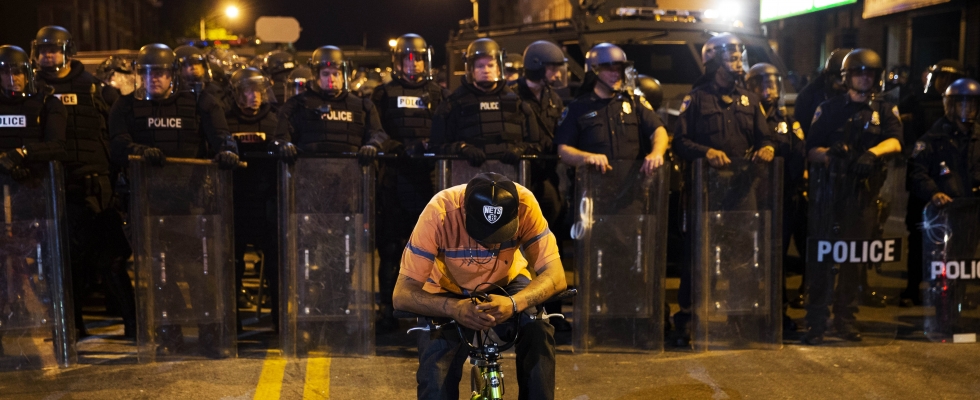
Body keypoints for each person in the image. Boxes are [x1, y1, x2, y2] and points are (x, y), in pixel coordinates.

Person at [108, 43, 239, 356]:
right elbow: (118, 146)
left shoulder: (199, 102)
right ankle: (170, 335)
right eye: (148, 73)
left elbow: (223, 137)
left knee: (200, 274)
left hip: (191, 205)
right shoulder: (125, 106)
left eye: (161, 73)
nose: (154, 78)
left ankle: (209, 335)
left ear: (173, 75)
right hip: (149, 204)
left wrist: (228, 152)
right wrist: (140, 152)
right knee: (160, 275)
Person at [393, 172, 567, 400]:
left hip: (506, 283)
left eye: (500, 234)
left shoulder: (524, 203)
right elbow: (402, 294)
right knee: (436, 379)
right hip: (447, 290)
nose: (492, 243)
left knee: (538, 330)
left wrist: (515, 303)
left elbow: (556, 275)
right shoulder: (439, 212)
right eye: (482, 234)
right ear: (464, 212)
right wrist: (454, 308)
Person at [671, 32, 775, 346]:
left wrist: (768, 148)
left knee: (741, 256)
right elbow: (680, 142)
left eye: (740, 56)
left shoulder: (750, 100)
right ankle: (688, 320)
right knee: (698, 258)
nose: (738, 61)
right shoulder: (695, 99)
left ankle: (739, 320)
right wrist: (706, 152)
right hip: (706, 191)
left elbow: (766, 138)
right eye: (732, 57)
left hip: (742, 191)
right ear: (715, 60)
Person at [32, 25, 135, 338]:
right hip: (54, 189)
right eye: (43, 51)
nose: (48, 56)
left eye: (54, 50)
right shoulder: (31, 90)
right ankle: (73, 327)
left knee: (113, 260)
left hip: (97, 188)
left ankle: (135, 327)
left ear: (67, 52)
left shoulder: (93, 88)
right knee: (65, 264)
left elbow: (118, 131)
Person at [803, 48, 903, 345]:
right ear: (846, 77)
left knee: (853, 260)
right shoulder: (828, 108)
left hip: (863, 196)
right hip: (829, 194)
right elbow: (810, 149)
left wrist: (872, 153)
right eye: (858, 73)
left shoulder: (885, 109)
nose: (864, 78)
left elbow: (896, 142)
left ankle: (845, 319)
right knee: (822, 260)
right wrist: (828, 154)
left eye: (869, 73)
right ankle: (816, 322)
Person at [370, 33, 449, 333]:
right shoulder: (383, 94)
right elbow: (376, 131)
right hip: (393, 178)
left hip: (428, 179)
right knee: (391, 248)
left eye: (418, 59)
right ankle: (388, 310)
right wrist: (399, 149)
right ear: (398, 61)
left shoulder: (438, 93)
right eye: (407, 59)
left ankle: (430, 309)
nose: (413, 65)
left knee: (432, 249)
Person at [745, 63, 808, 326]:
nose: (766, 90)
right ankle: (749, 312)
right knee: (750, 258)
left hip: (781, 198)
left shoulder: (787, 122)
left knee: (777, 257)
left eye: (771, 84)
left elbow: (799, 155)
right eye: (760, 84)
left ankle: (777, 313)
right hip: (750, 199)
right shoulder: (743, 119)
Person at [555, 42, 667, 175]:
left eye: (619, 69)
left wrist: (656, 153)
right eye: (610, 69)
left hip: (633, 184)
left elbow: (658, 131)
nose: (616, 74)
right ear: (594, 72)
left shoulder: (635, 103)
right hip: (594, 183)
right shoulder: (577, 107)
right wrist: (586, 158)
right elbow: (564, 149)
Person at [429, 38, 541, 168]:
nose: (486, 70)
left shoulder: (517, 103)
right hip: (468, 176)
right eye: (480, 66)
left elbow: (536, 145)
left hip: (510, 175)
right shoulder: (452, 105)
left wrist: (520, 149)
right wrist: (462, 148)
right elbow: (436, 147)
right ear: (471, 69)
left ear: (499, 68)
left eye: (491, 65)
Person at [225, 67, 280, 330]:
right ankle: (231, 323)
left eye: (258, 92)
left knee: (274, 264)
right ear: (237, 94)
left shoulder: (275, 120)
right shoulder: (225, 120)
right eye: (248, 92)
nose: (254, 97)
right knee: (232, 264)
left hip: (267, 201)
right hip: (234, 200)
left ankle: (279, 322)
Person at [274, 45, 386, 165]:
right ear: (316, 76)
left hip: (350, 172)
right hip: (309, 172)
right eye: (326, 74)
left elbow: (378, 134)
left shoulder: (363, 106)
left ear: (343, 76)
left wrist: (372, 146)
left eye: (336, 74)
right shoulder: (296, 105)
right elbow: (279, 138)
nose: (331, 79)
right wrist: (284, 146)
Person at [795, 48, 852, 136]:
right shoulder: (809, 97)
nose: (845, 88)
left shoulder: (860, 96)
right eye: (841, 81)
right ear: (830, 77)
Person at [174, 45, 232, 110]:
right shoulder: (173, 94)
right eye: (188, 64)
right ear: (178, 68)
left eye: (197, 63)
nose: (194, 67)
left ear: (203, 66)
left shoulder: (216, 92)